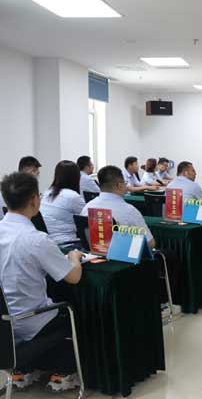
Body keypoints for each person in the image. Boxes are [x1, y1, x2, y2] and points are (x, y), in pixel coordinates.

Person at [0, 172, 83, 392]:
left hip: (4, 326)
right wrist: (74, 257)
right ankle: (64, 371)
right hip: (28, 321)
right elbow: (73, 277)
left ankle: (26, 369)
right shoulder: (36, 239)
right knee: (72, 311)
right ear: (35, 200)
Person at [81, 165, 155, 248]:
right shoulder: (129, 211)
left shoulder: (87, 207)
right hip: (122, 255)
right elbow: (149, 243)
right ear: (120, 186)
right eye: (125, 184)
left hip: (92, 254)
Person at [40, 161, 86, 246]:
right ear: (76, 177)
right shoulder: (72, 196)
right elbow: (87, 220)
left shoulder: (47, 193)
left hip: (47, 242)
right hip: (66, 243)